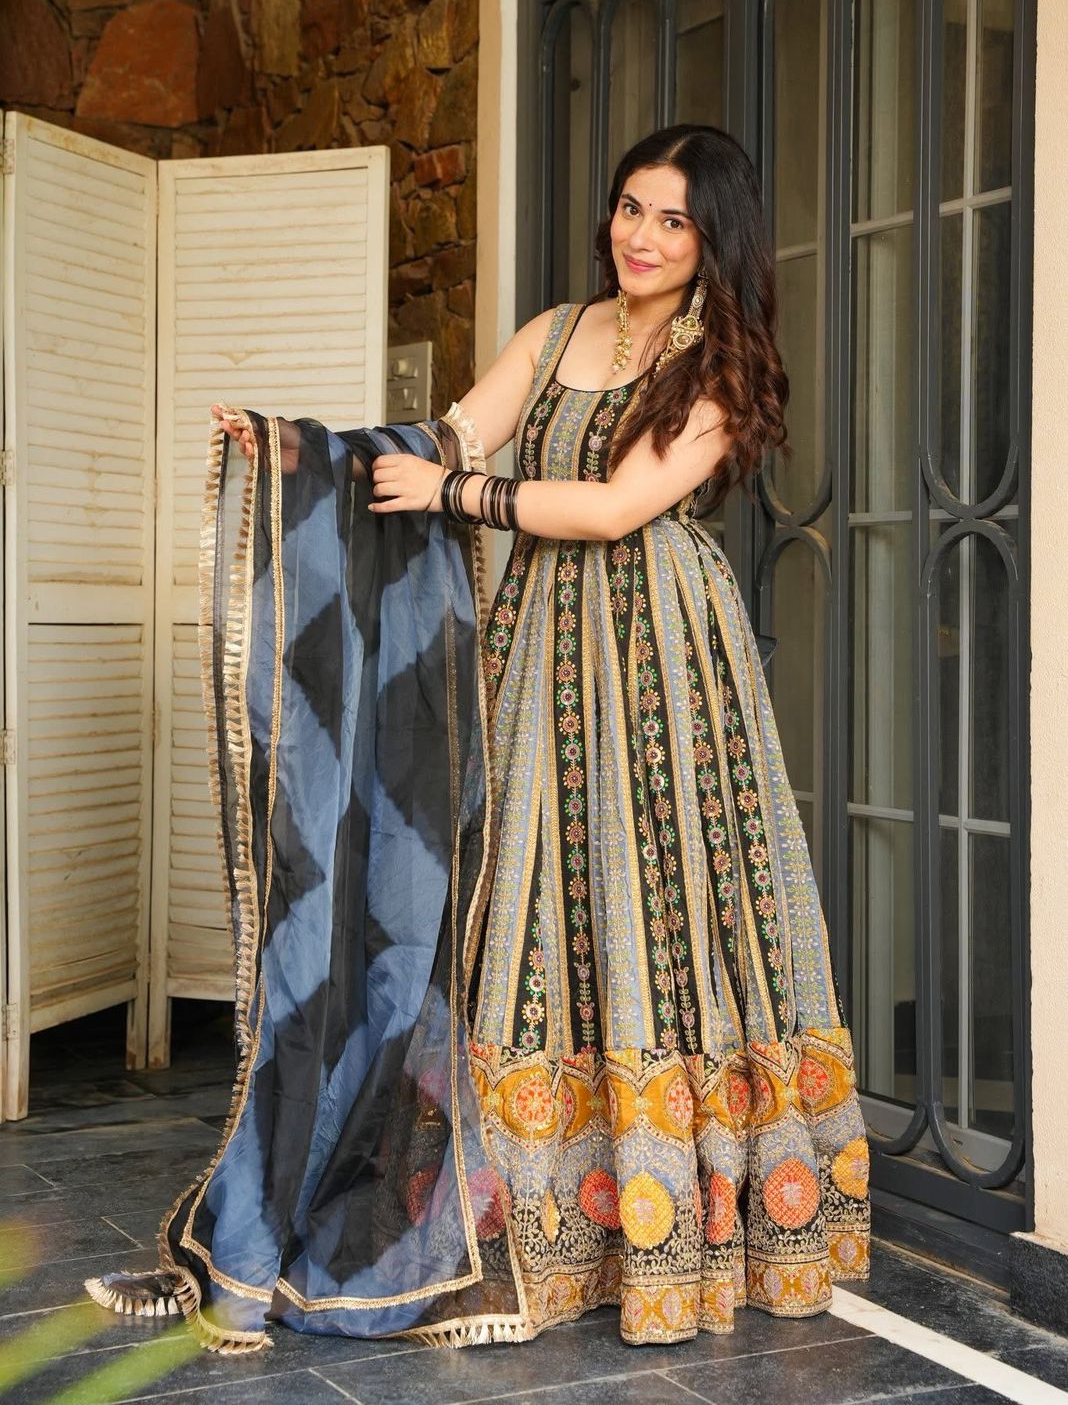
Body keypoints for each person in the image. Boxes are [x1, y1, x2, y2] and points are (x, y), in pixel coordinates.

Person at [86, 123, 869, 1353]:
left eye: (672, 219)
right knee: (500, 902)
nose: (642, 235)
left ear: (715, 237)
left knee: (647, 910)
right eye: (629, 207)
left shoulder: (719, 364)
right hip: (529, 648)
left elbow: (613, 507)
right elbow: (448, 439)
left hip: (656, 664)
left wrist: (461, 499)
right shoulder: (556, 332)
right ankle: (507, 1210)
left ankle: (659, 1212)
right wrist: (303, 454)